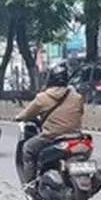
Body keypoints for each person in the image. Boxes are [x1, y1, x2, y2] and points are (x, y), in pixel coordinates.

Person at [16, 62, 84, 192]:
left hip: (52, 137)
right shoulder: (77, 97)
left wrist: (18, 117)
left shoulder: (42, 97)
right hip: (76, 137)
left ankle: (30, 185)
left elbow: (26, 114)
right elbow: (80, 112)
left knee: (28, 148)